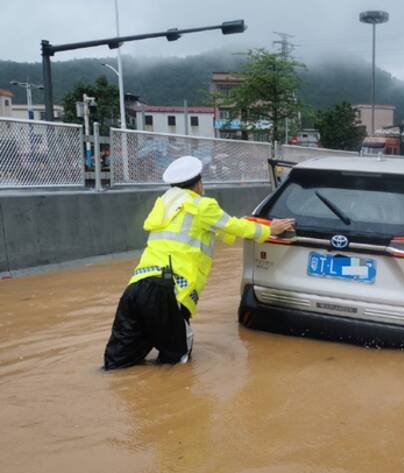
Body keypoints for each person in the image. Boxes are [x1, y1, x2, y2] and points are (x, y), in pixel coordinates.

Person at [104, 156, 295, 370]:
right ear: (198, 183)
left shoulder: (164, 204)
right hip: (169, 292)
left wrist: (236, 224)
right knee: (177, 364)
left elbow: (216, 231)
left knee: (118, 363)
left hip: (135, 289)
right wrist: (271, 229)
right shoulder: (202, 205)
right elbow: (234, 228)